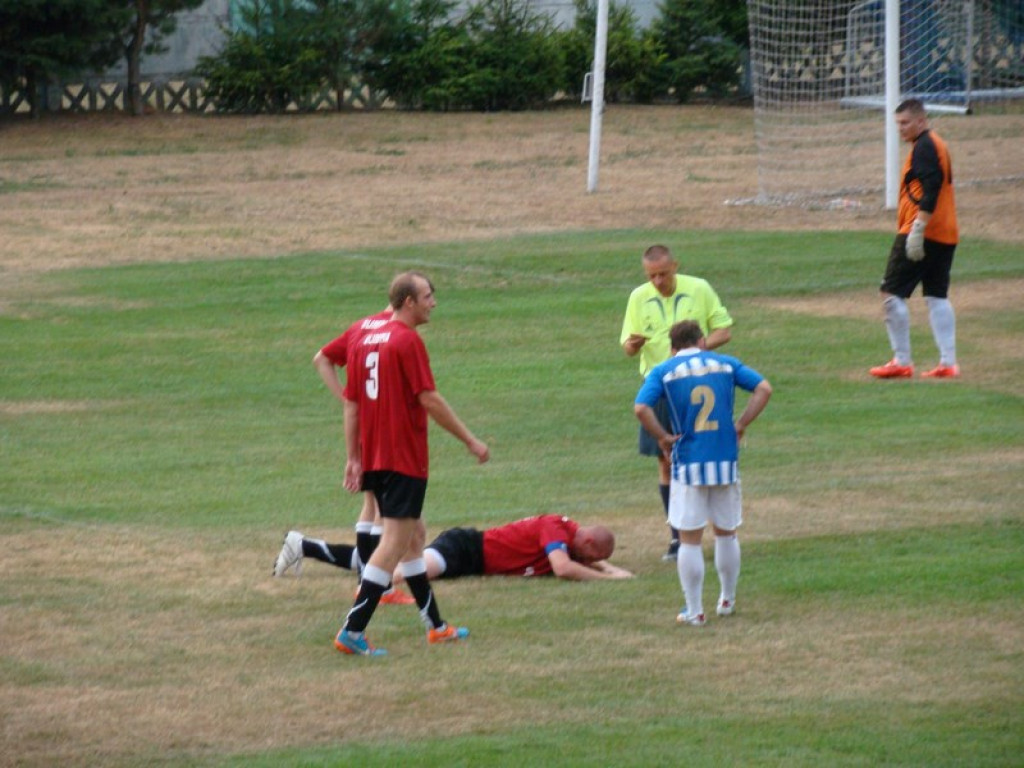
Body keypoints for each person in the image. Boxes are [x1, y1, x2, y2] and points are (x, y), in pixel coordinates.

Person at [335, 271, 490, 657]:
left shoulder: (363, 337)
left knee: (415, 537)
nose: (433, 303)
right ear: (409, 302)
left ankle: (436, 626)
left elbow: (351, 404)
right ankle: (353, 630)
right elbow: (430, 399)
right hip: (402, 458)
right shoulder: (406, 340)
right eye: (427, 296)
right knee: (392, 544)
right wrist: (470, 440)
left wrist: (354, 456)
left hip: (374, 455)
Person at [634, 320, 771, 627]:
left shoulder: (664, 370)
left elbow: (641, 408)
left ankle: (695, 611)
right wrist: (741, 424)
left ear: (673, 348)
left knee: (690, 540)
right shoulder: (726, 364)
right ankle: (727, 599)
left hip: (689, 464)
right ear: (702, 341)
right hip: (725, 460)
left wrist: (662, 437)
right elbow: (764, 388)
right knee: (726, 532)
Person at [280, 308, 414, 604]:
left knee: (371, 501)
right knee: (384, 508)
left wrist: (346, 398)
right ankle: (378, 587)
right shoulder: (395, 331)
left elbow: (321, 359)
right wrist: (349, 398)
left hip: (365, 424)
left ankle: (367, 581)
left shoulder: (360, 327)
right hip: (385, 427)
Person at [620, 244, 734, 561]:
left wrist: (693, 351)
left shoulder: (699, 289)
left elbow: (724, 330)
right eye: (651, 276)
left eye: (663, 274)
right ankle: (677, 538)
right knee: (666, 460)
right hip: (659, 387)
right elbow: (627, 347)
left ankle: (721, 530)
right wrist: (633, 345)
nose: (658, 281)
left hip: (696, 384)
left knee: (703, 455)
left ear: (675, 266)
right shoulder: (638, 297)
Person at [870, 98, 960, 380]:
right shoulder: (936, 144)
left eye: (905, 122)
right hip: (946, 230)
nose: (901, 128)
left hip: (922, 230)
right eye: (898, 123)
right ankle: (948, 363)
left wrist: (918, 229)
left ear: (921, 121)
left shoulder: (924, 147)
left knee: (890, 292)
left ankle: (902, 361)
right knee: (936, 294)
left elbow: (931, 188)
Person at [271, 515, 634, 582]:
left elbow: (576, 560)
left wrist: (608, 567)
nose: (589, 561)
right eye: (593, 557)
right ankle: (369, 594)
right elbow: (563, 568)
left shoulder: (572, 538)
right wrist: (611, 578)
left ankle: (303, 545)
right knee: (394, 573)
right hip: (464, 549)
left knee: (383, 562)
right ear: (586, 542)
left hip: (470, 559)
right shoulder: (555, 528)